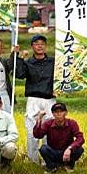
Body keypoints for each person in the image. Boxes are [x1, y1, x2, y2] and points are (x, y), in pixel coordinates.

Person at [17, 34, 56, 164]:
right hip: (33, 99)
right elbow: (19, 75)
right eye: (36, 43)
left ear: (46, 46)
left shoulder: (54, 62)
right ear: (32, 46)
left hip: (49, 99)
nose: (40, 46)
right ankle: (32, 161)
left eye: (42, 44)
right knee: (31, 131)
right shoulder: (28, 63)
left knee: (49, 131)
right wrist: (20, 59)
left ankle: (48, 162)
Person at [33, 102, 85, 173]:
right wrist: (39, 119)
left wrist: (70, 148)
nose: (58, 114)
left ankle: (68, 165)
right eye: (56, 112)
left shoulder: (72, 123)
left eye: (61, 111)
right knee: (43, 148)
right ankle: (52, 167)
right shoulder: (48, 124)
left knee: (79, 149)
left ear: (66, 113)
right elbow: (38, 135)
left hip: (67, 153)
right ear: (53, 114)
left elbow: (80, 138)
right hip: (54, 152)